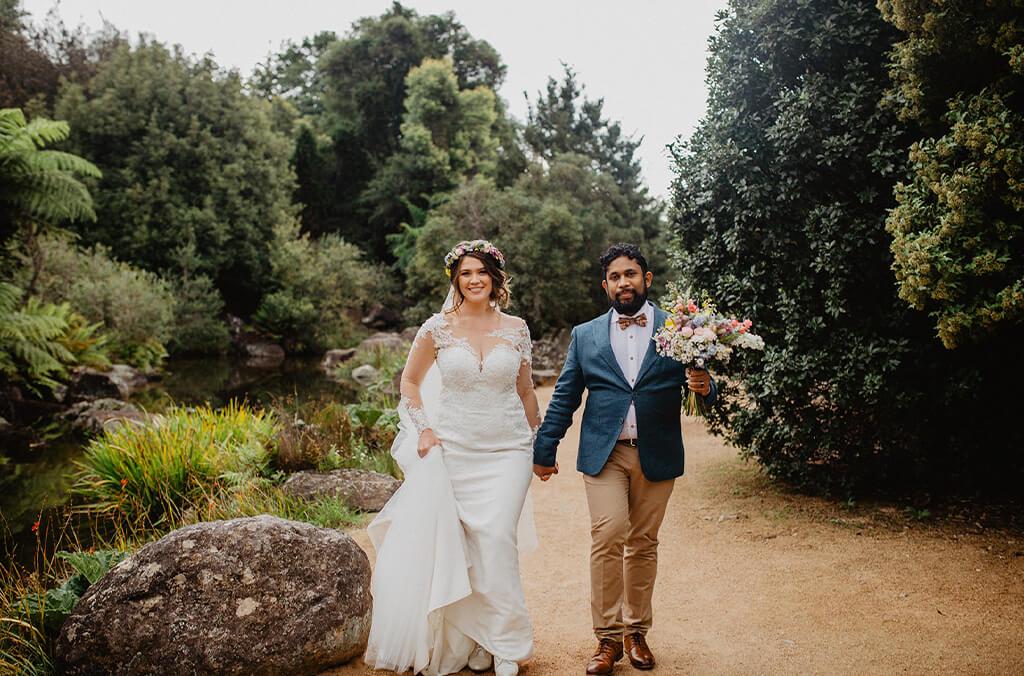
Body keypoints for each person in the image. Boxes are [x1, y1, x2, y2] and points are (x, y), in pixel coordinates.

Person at [532, 243, 717, 675]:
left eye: (630, 274)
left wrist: (704, 385)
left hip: (658, 451)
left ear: (647, 279)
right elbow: (565, 395)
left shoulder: (682, 330)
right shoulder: (586, 335)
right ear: (605, 286)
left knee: (644, 543)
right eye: (615, 277)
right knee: (609, 534)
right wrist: (545, 448)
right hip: (605, 454)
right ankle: (607, 639)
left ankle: (637, 632)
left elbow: (705, 396)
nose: (623, 282)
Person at [364, 239, 540, 676]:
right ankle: (477, 639)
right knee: (464, 543)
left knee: (498, 537)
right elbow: (409, 383)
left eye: (481, 271)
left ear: (495, 278)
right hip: (455, 448)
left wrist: (543, 442)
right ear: (456, 281)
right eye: (466, 273)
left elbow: (524, 390)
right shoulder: (436, 328)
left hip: (509, 449)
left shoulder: (517, 329)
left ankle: (507, 645)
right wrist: (424, 428)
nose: (474, 279)